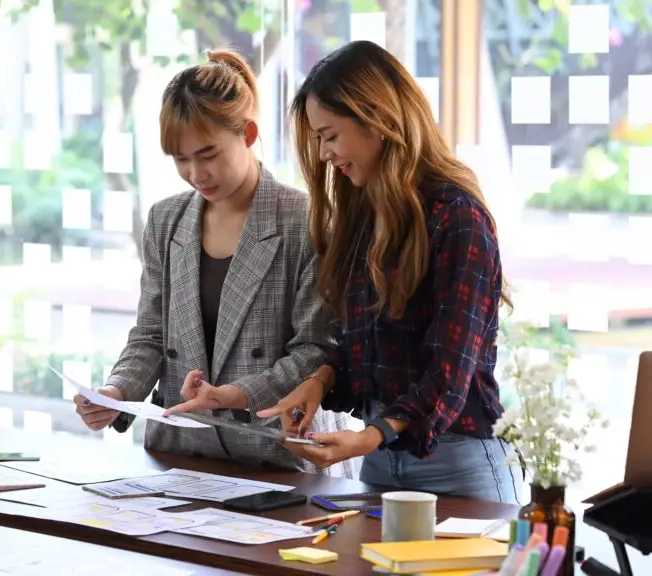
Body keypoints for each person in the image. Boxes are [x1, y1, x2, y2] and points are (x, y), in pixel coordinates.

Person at [257, 40, 521, 503]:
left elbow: (450, 371)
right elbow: (368, 350)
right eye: (319, 139)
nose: (323, 154)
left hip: (458, 465)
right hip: (380, 461)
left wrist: (374, 434)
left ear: (377, 119)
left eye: (331, 135)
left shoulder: (458, 218)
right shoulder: (365, 218)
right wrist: (320, 381)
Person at [74, 48, 355, 478]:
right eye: (181, 159)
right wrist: (115, 393)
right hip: (178, 454)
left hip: (276, 455)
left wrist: (235, 394)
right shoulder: (166, 220)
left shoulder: (306, 220)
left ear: (247, 133)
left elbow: (316, 350)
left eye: (207, 154)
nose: (195, 173)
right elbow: (151, 334)